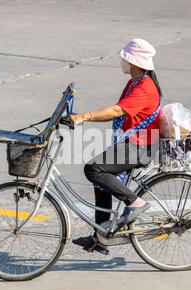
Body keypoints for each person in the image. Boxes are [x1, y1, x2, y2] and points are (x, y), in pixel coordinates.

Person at [67, 39, 163, 254]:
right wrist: (82, 118)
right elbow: (116, 113)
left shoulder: (145, 87)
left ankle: (135, 203)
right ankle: (100, 236)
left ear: (134, 62)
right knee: (101, 181)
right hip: (133, 142)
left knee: (93, 169)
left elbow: (117, 111)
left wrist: (85, 116)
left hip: (140, 146)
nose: (121, 61)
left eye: (124, 58)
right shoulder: (134, 82)